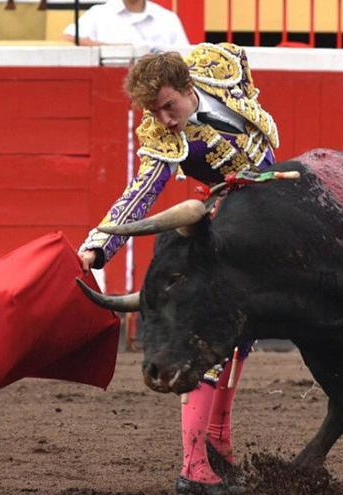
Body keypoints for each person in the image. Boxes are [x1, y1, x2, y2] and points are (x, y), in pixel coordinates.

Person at [79, 43, 278, 495]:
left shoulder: (221, 68)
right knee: (210, 341)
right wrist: (97, 246)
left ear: (189, 87)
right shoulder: (163, 138)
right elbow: (138, 195)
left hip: (267, 220)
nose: (165, 119)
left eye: (169, 106)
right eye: (155, 111)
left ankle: (219, 444)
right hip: (225, 233)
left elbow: (241, 60)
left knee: (241, 339)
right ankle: (193, 467)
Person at [62, 0, 188, 49]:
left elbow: (186, 55)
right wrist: (116, 49)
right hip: (109, 84)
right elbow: (69, 36)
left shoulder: (167, 18)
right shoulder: (99, 13)